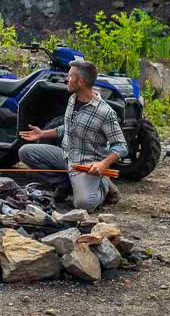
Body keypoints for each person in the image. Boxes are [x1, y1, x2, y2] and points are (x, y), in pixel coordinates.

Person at [18, 59, 126, 211]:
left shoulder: (105, 112)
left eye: (69, 76)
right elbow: (68, 128)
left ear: (80, 81)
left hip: (86, 165)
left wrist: (103, 165)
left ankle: (104, 185)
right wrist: (42, 133)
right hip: (66, 156)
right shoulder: (72, 99)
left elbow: (121, 146)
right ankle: (66, 184)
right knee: (26, 152)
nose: (66, 79)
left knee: (83, 204)